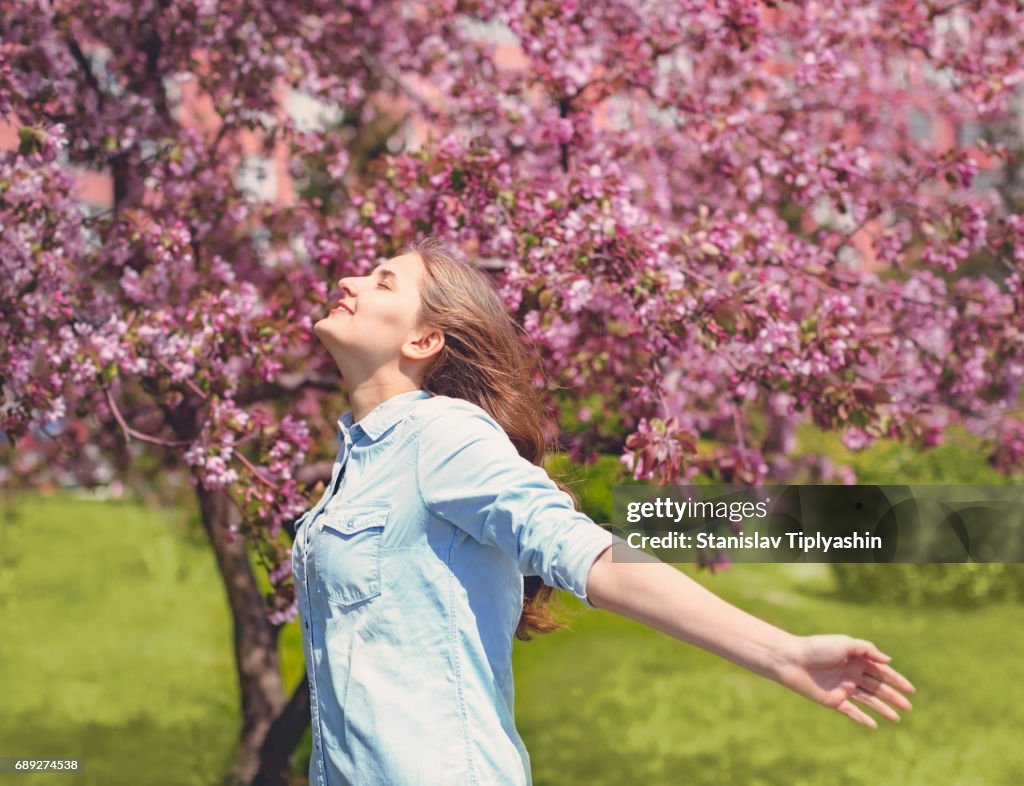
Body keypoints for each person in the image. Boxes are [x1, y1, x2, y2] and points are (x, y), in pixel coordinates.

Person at [292, 237, 915, 786]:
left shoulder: (442, 435)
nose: (349, 282)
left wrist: (783, 653)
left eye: (382, 281)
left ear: (422, 339)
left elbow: (592, 558)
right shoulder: (359, 459)